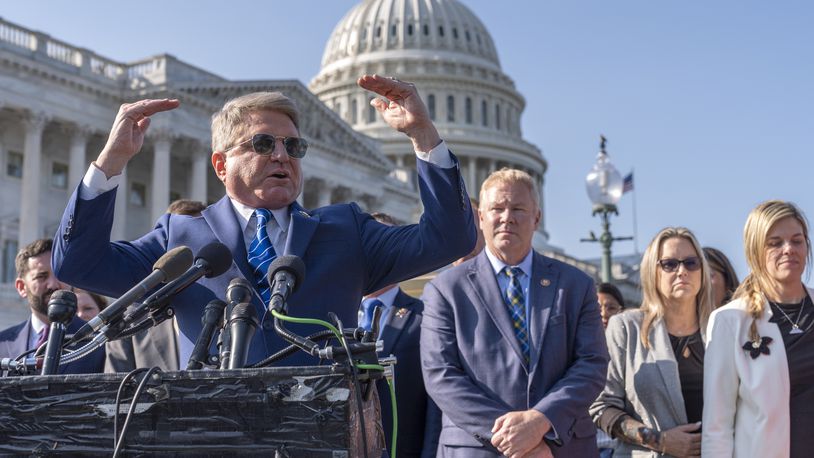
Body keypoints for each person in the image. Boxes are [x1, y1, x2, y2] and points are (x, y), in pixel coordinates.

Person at [51, 74, 476, 368]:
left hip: (321, 435)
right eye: (262, 143)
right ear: (221, 164)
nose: (281, 155)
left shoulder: (346, 230)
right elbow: (78, 266)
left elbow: (449, 239)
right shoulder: (181, 236)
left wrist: (424, 136)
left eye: (293, 146)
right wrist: (111, 163)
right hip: (217, 435)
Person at [421, 168, 608, 457]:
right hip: (478, 447)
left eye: (518, 208)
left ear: (537, 217)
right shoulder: (445, 290)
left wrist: (541, 422)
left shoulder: (575, 285)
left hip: (559, 446)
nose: (507, 217)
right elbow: (440, 374)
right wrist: (514, 437)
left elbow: (592, 364)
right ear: (481, 218)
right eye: (497, 208)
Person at [591, 227, 713, 458]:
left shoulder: (721, 328)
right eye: (669, 264)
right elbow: (601, 407)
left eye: (691, 263)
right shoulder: (626, 327)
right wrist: (662, 441)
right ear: (652, 271)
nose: (681, 271)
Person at [703, 200, 813, 457]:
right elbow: (717, 426)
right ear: (755, 251)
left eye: (797, 240)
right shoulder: (730, 321)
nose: (788, 249)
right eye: (775, 243)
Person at [359, 212, 441, 458]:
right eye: (366, 245)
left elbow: (436, 406)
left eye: (383, 245)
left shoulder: (424, 318)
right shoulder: (328, 317)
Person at [104, 201, 208, 372]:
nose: (188, 259)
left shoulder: (231, 313)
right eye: (179, 249)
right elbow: (113, 388)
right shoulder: (130, 322)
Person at [0, 239, 104, 374]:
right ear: (21, 287)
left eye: (60, 275)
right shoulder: (3, 344)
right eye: (42, 276)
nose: (53, 285)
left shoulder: (99, 342)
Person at [595, 282, 626, 457]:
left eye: (611, 308)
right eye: (597, 308)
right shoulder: (572, 350)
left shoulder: (629, 352)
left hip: (618, 445)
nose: (604, 314)